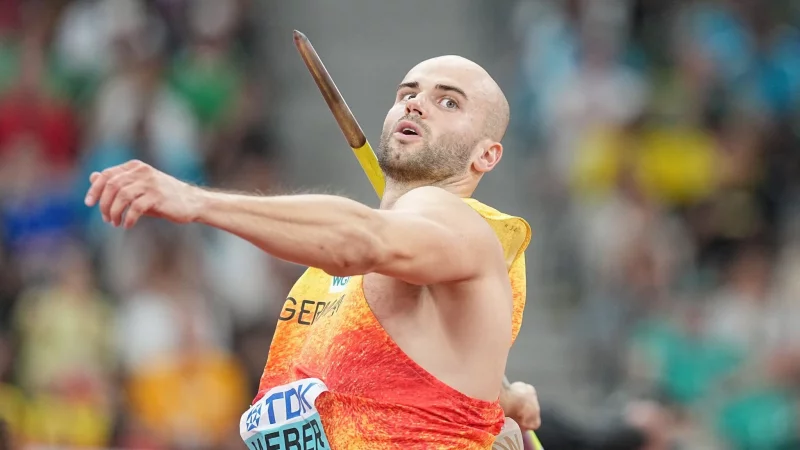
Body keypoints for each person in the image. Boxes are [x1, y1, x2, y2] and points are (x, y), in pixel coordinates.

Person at [85, 55, 539, 449]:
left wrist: (197, 201)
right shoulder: (334, 276)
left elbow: (360, 240)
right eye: (408, 93)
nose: (416, 103)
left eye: (449, 102)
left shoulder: (459, 225)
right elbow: (421, 376)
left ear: (486, 155)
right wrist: (503, 398)